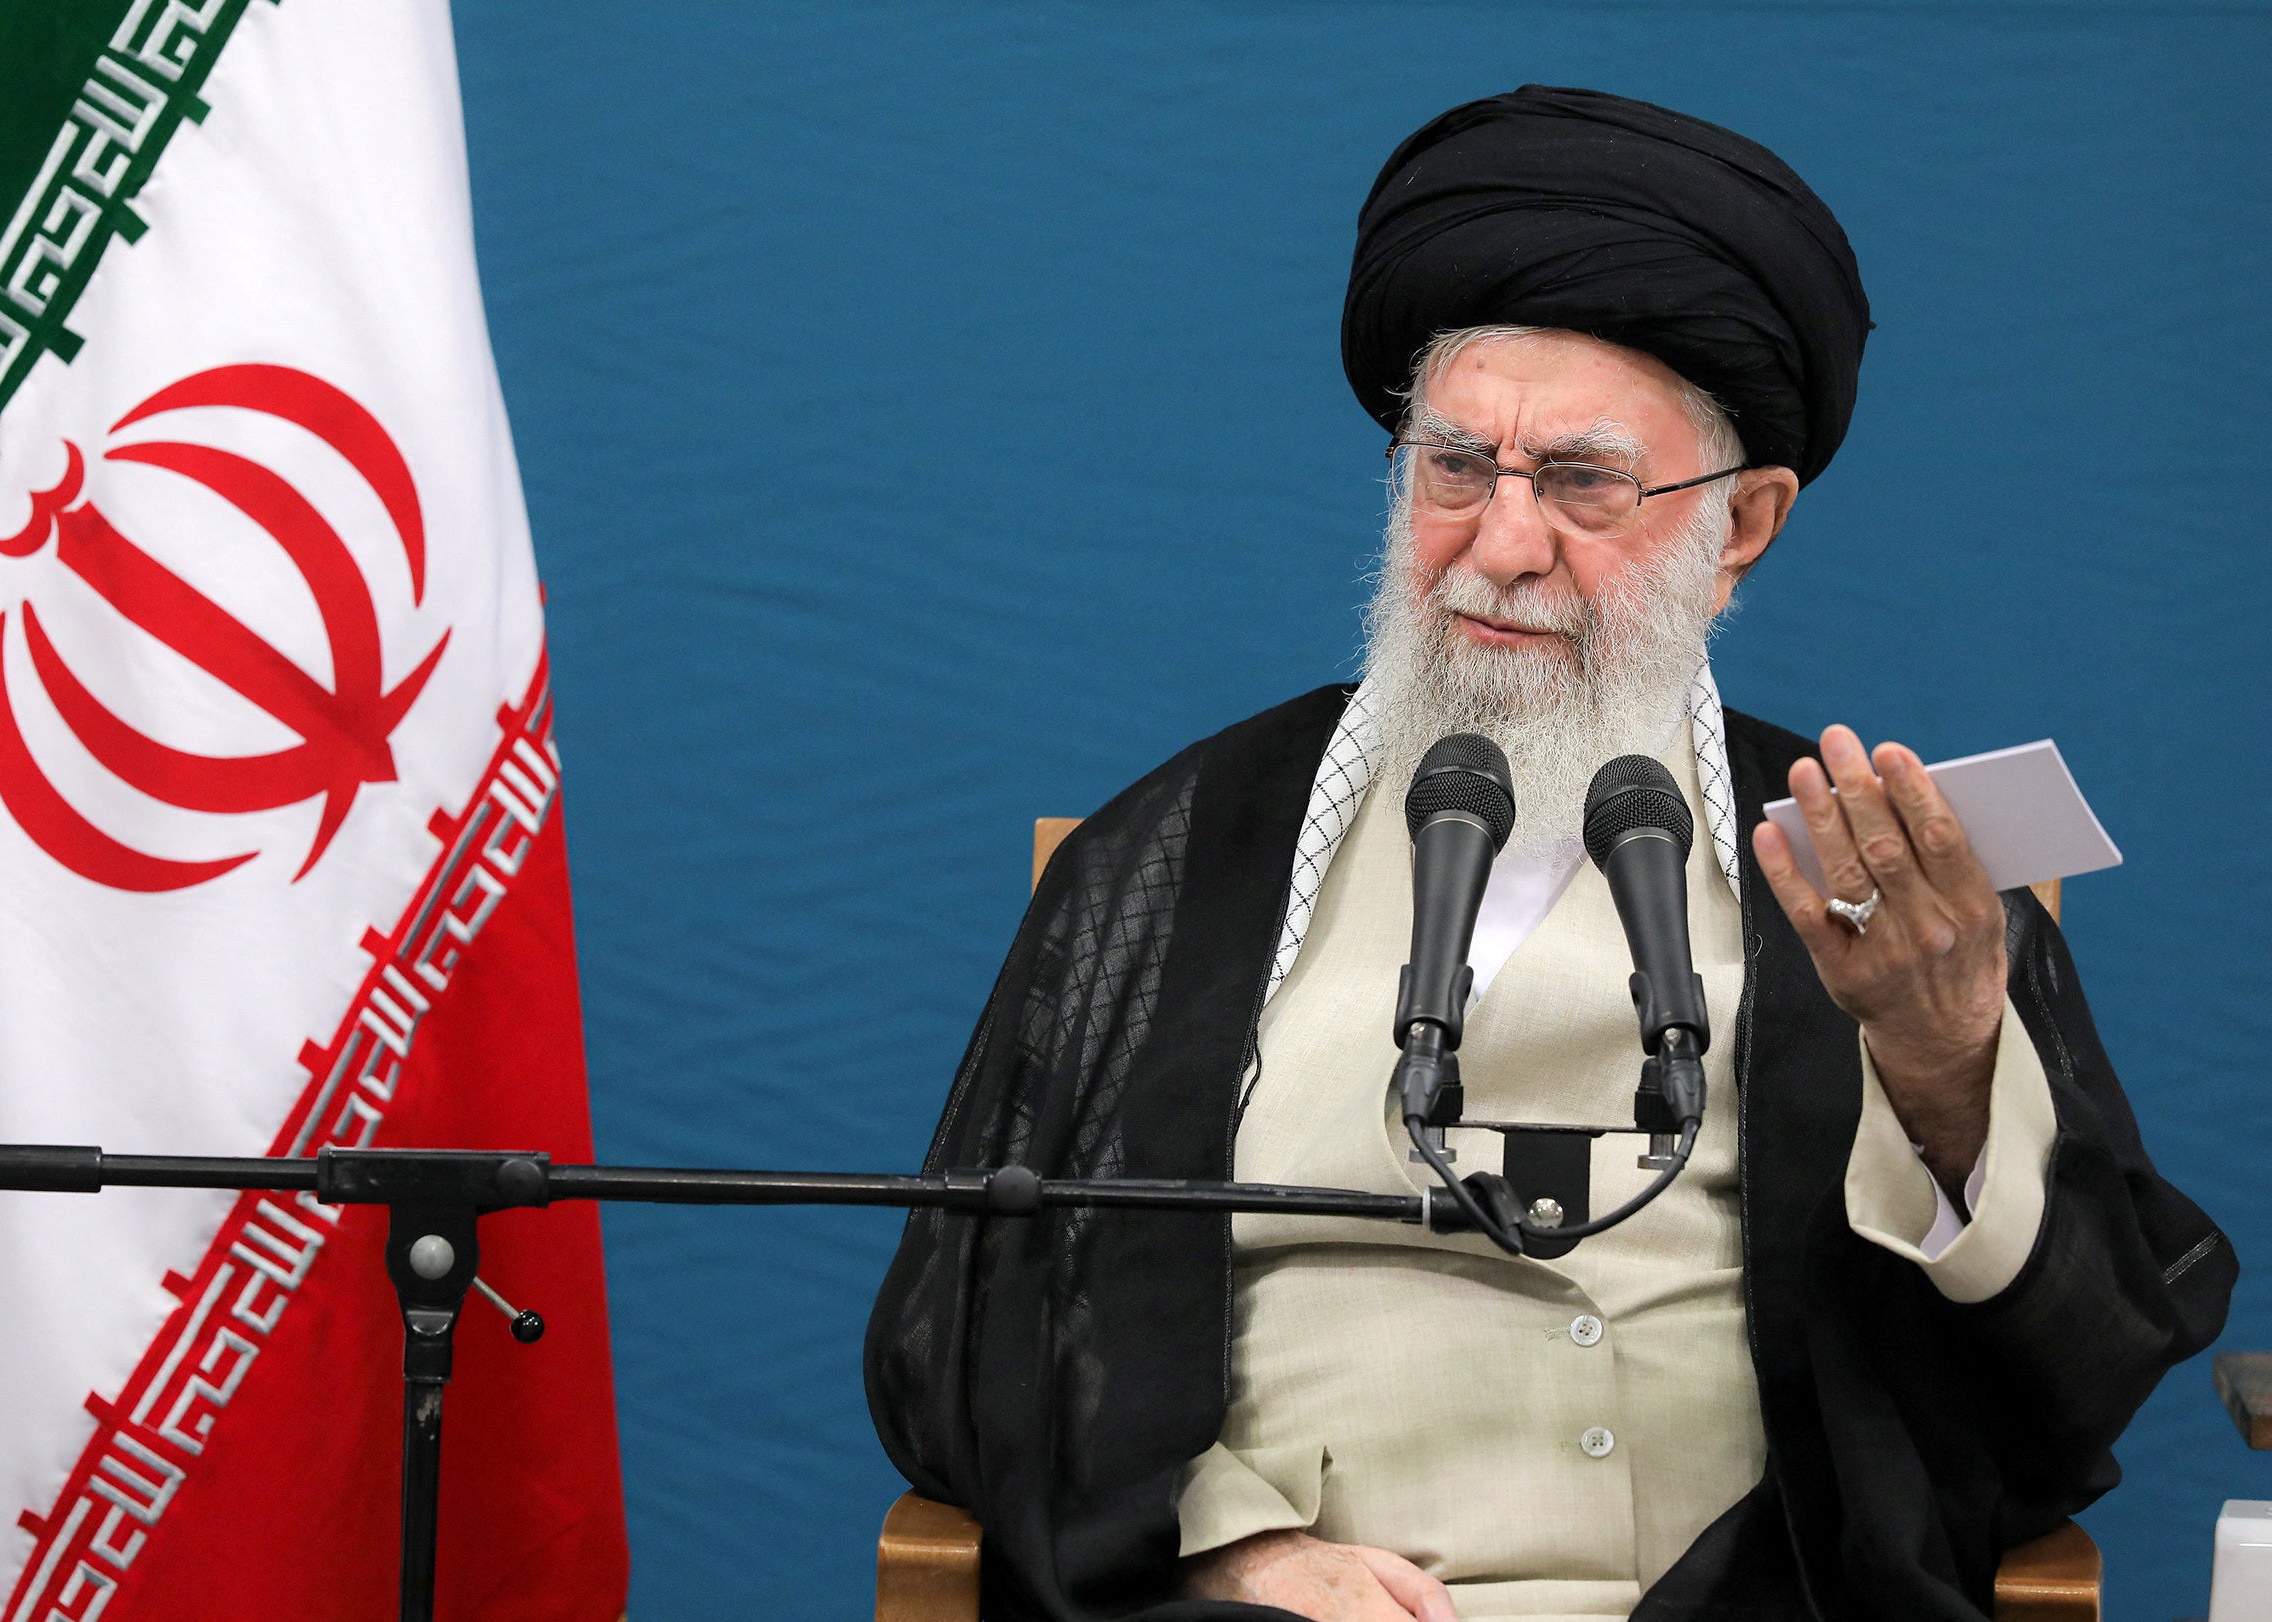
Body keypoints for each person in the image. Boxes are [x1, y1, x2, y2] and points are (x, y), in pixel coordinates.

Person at [864, 86, 2233, 1622]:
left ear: (1741, 526)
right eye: (1454, 468)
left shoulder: (1883, 871)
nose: (1501, 544)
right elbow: (961, 1318)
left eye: (1579, 482)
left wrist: (1944, 1064)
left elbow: (2078, 1375)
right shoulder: (1186, 848)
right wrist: (1222, 1541)